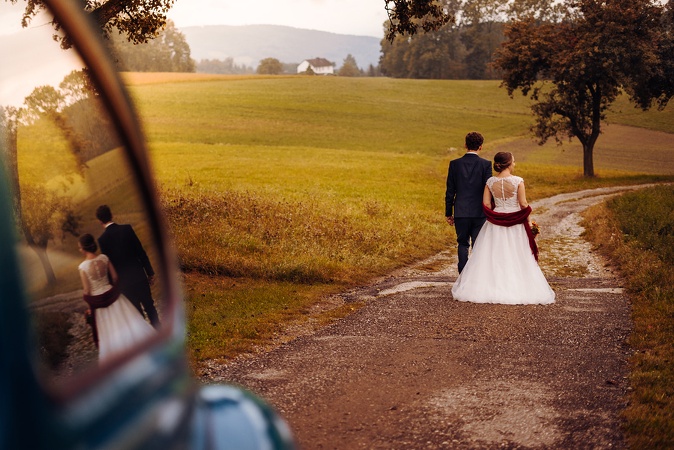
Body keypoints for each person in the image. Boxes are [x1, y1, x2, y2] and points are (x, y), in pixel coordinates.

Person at [451, 152, 555, 304]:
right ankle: (517, 286)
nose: (515, 163)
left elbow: (486, 204)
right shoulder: (518, 181)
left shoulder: (490, 182)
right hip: (515, 222)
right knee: (517, 253)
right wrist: (529, 222)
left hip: (495, 221)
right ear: (508, 163)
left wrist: (495, 213)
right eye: (514, 161)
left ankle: (489, 286)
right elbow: (523, 204)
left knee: (493, 254)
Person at [78, 234, 155, 362]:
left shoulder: (83, 267)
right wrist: (109, 288)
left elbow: (87, 290)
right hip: (112, 295)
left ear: (83, 249)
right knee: (128, 322)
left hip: (98, 303)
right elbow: (115, 278)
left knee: (109, 332)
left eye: (79, 248)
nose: (79, 250)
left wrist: (90, 304)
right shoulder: (104, 258)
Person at [96, 205, 160, 328]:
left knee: (136, 313)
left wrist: (113, 286)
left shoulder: (102, 240)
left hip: (124, 283)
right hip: (139, 276)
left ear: (99, 221)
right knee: (150, 306)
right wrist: (150, 272)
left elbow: (108, 264)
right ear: (111, 215)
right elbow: (141, 252)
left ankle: (146, 337)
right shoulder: (127, 229)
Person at [445, 131, 493, 273]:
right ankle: (476, 277)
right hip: (480, 212)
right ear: (481, 147)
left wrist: (449, 213)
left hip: (461, 211)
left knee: (462, 244)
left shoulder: (454, 164)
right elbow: (489, 188)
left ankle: (463, 275)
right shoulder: (486, 164)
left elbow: (450, 191)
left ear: (465, 145)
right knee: (478, 245)